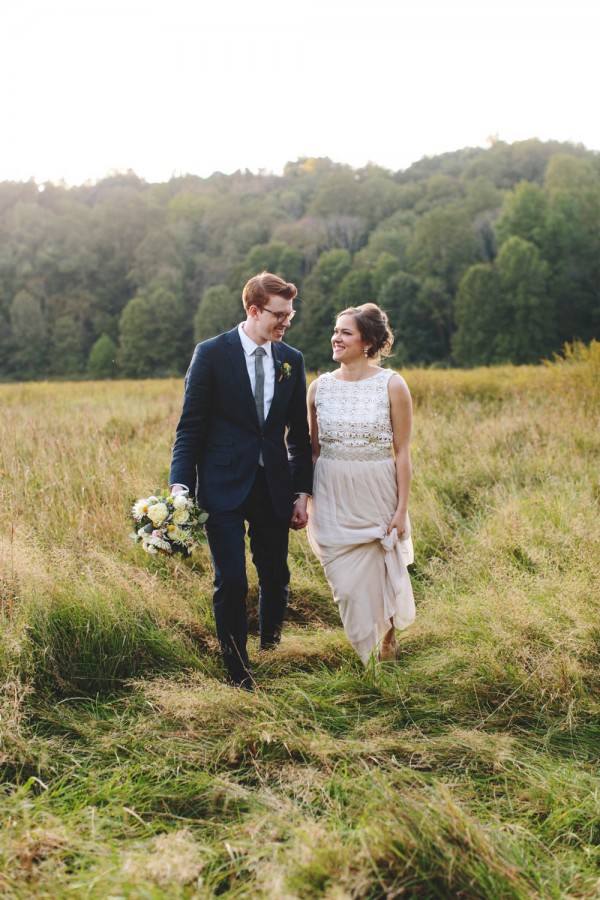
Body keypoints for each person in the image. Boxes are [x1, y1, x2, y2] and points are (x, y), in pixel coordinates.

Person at [169, 272, 313, 690]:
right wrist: (180, 486)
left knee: (275, 574)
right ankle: (238, 669)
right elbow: (190, 427)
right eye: (280, 314)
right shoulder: (211, 354)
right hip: (222, 486)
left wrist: (302, 491)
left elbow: (298, 436)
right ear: (254, 310)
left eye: (290, 314)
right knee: (231, 579)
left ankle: (271, 647)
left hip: (273, 487)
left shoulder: (292, 360)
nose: (286, 322)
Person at [307, 303, 415, 663]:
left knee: (383, 568)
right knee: (347, 586)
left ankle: (386, 642)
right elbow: (313, 451)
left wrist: (401, 510)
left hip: (377, 490)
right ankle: (366, 644)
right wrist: (302, 496)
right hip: (331, 494)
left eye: (345, 332)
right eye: (336, 331)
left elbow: (402, 452)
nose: (335, 338)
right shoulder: (318, 388)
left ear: (367, 342)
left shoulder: (392, 384)